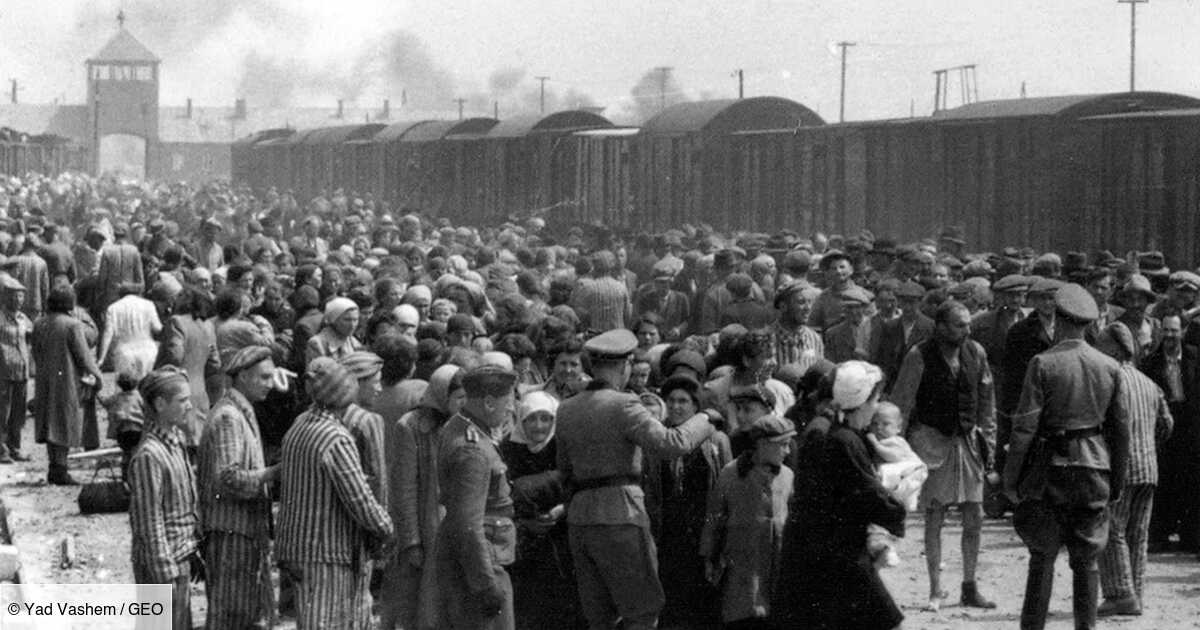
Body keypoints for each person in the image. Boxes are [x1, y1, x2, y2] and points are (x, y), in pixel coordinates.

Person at [555, 329, 721, 630]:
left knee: (599, 616)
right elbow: (672, 444)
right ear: (625, 365)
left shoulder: (566, 409)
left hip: (580, 519)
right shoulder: (625, 404)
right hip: (622, 516)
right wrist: (705, 419)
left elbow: (564, 470)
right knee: (642, 612)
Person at [1003, 283, 1131, 630]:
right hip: (1094, 469)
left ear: (1059, 319)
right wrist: (1116, 480)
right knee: (1087, 560)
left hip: (1051, 470)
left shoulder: (1043, 363)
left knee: (1042, 558)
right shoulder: (1109, 367)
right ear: (1088, 324)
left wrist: (1011, 479)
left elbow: (1024, 430)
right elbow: (1121, 431)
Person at [773, 360, 906, 630]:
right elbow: (869, 493)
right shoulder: (844, 440)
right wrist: (898, 505)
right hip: (836, 555)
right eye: (876, 399)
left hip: (817, 551)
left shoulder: (828, 430)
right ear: (862, 400)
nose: (876, 406)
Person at [890, 299, 997, 611]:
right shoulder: (918, 355)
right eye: (959, 325)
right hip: (932, 443)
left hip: (967, 443)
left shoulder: (976, 352)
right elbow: (902, 403)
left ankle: (969, 585)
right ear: (940, 326)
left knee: (974, 515)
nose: (966, 330)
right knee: (934, 516)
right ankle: (935, 590)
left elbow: (987, 403)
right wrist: (901, 452)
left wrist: (988, 442)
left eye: (968, 324)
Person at [277, 357, 394, 629]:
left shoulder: (300, 425)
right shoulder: (335, 437)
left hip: (298, 548)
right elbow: (360, 499)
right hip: (326, 553)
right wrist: (387, 528)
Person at [198, 345, 281, 629]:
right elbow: (227, 479)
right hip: (231, 532)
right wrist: (272, 474)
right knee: (231, 615)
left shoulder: (241, 411)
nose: (271, 385)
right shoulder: (229, 418)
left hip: (243, 531)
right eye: (265, 377)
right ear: (243, 376)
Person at [1094, 323, 1173, 616]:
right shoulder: (1149, 383)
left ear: (1115, 349)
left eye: (1101, 345)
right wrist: (1148, 443)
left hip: (1121, 468)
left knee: (1111, 528)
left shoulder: (1110, 379)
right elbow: (1167, 424)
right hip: (1148, 468)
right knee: (1138, 534)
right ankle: (1136, 593)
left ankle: (1119, 593)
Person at [434, 364, 520, 630]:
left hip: (472, 560)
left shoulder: (460, 427)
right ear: (489, 402)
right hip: (482, 564)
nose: (511, 408)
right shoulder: (473, 449)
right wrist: (486, 585)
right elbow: (468, 525)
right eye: (508, 401)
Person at [382, 364, 465, 630]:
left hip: (457, 528)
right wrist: (411, 542)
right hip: (426, 529)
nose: (465, 404)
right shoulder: (412, 427)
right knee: (422, 609)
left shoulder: (467, 425)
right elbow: (403, 489)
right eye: (459, 398)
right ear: (442, 395)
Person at [644, 375, 731, 628]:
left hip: (703, 532)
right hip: (669, 534)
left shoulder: (715, 440)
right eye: (670, 401)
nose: (676, 407)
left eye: (683, 401)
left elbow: (725, 486)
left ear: (696, 406)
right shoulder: (658, 439)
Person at [700, 414, 795, 630]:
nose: (788, 451)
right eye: (783, 445)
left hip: (774, 561)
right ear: (762, 444)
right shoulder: (731, 473)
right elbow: (713, 516)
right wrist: (708, 555)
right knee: (741, 614)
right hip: (741, 563)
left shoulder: (787, 475)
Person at [500, 390, 579, 630]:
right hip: (523, 540)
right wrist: (526, 522)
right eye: (531, 419)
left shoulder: (564, 447)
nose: (538, 425)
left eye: (546, 418)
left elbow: (578, 486)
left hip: (562, 534)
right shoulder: (508, 448)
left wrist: (561, 510)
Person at [128, 366, 199, 630]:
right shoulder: (150, 455)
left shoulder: (175, 441)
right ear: (159, 404)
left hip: (179, 557)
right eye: (182, 400)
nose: (189, 406)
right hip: (162, 565)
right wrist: (164, 575)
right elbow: (149, 522)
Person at [32, 286, 104, 485]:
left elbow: (35, 352)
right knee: (63, 421)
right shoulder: (73, 325)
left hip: (45, 379)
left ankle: (54, 467)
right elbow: (84, 356)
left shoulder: (39, 323)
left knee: (49, 422)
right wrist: (98, 377)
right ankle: (61, 470)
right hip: (66, 380)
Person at [864, 401, 928, 569]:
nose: (879, 428)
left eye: (885, 424)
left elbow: (894, 457)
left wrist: (876, 445)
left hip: (899, 487)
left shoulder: (896, 442)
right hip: (888, 488)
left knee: (890, 520)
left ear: (898, 427)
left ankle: (888, 548)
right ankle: (882, 547)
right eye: (874, 423)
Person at [0, 276, 32, 463]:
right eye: (14, 297)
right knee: (2, 412)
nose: (18, 301)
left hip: (22, 370)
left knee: (19, 413)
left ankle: (15, 447)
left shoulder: (23, 318)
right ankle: (1, 449)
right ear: (5, 298)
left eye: (21, 297)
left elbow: (31, 334)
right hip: (4, 371)